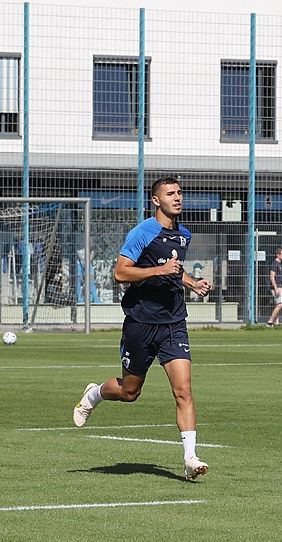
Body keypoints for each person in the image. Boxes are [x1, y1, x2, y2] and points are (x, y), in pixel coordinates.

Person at [72, 177, 212, 480]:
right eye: (170, 193)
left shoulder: (183, 235)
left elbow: (175, 269)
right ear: (155, 200)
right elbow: (120, 272)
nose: (177, 197)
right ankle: (95, 394)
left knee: (184, 391)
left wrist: (192, 283)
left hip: (173, 323)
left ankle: (190, 458)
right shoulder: (142, 232)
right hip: (140, 323)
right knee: (129, 392)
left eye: (180, 192)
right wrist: (158, 270)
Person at [267, 247, 282, 326]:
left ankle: (276, 322)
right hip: (276, 287)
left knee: (278, 304)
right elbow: (272, 277)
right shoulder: (274, 264)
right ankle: (270, 321)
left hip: (279, 286)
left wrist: (281, 287)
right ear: (278, 255)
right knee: (280, 305)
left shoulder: (279, 264)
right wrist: (276, 288)